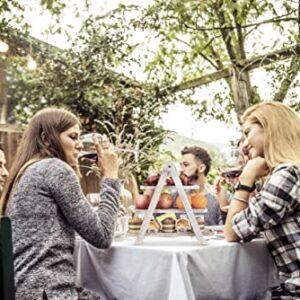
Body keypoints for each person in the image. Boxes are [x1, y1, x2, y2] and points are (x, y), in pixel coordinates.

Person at [0, 107, 121, 300]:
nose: (80, 145)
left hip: (27, 291)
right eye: (73, 137)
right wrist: (111, 176)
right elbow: (102, 236)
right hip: (49, 293)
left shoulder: (25, 173)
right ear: (47, 139)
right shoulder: (54, 168)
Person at [224, 102, 300, 299]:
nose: (245, 144)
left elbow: (232, 232)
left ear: (270, 128)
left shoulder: (288, 174)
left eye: (247, 132)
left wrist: (246, 178)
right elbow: (250, 221)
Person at [179, 146, 222, 225]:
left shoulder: (218, 199)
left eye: (186, 165)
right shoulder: (175, 196)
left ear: (201, 168)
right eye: (180, 165)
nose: (181, 169)